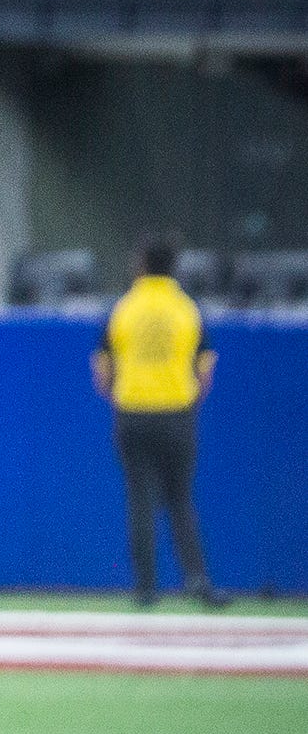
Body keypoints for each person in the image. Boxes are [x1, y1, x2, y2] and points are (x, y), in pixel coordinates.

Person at [92, 239, 225, 608]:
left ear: (141, 263)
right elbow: (205, 368)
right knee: (180, 498)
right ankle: (197, 580)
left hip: (133, 413)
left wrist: (123, 396)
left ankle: (146, 588)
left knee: (140, 501)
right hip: (177, 414)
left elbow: (102, 368)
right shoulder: (186, 309)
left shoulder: (124, 308)